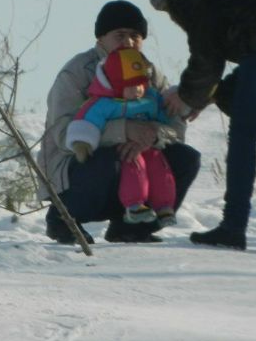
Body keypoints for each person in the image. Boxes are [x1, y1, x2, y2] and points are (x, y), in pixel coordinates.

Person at [148, 0, 256, 252]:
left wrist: (187, 97)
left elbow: (207, 59)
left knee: (244, 137)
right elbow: (231, 78)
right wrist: (205, 96)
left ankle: (232, 228)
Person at [37, 0, 201, 244]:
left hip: (138, 166)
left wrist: (151, 136)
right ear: (101, 38)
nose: (129, 42)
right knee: (107, 158)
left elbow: (175, 125)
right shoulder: (78, 72)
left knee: (186, 158)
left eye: (135, 36)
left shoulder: (149, 72)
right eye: (120, 35)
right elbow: (62, 134)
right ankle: (62, 219)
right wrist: (123, 131)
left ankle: (132, 227)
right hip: (79, 174)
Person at [65, 46, 180, 227]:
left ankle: (164, 206)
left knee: (161, 169)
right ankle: (135, 204)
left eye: (140, 84)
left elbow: (170, 122)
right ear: (116, 85)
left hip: (149, 148)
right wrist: (83, 142)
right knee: (134, 169)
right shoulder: (106, 104)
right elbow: (88, 120)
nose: (138, 91)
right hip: (122, 149)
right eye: (131, 86)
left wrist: (156, 132)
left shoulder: (151, 99)